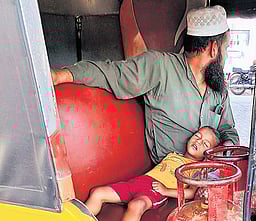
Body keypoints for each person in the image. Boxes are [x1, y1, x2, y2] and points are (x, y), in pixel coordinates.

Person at [50, 5, 239, 164]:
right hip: (169, 177)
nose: (226, 54)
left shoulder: (218, 86)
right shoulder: (160, 67)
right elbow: (110, 73)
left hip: (208, 176)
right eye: (225, 47)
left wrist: (226, 149)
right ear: (214, 49)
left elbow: (228, 130)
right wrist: (62, 75)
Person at [85, 126, 219, 221]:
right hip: (138, 182)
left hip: (156, 190)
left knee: (137, 205)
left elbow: (191, 192)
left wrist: (165, 190)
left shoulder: (197, 169)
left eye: (205, 144)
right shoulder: (173, 154)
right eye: (198, 136)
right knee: (97, 193)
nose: (198, 141)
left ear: (207, 154)